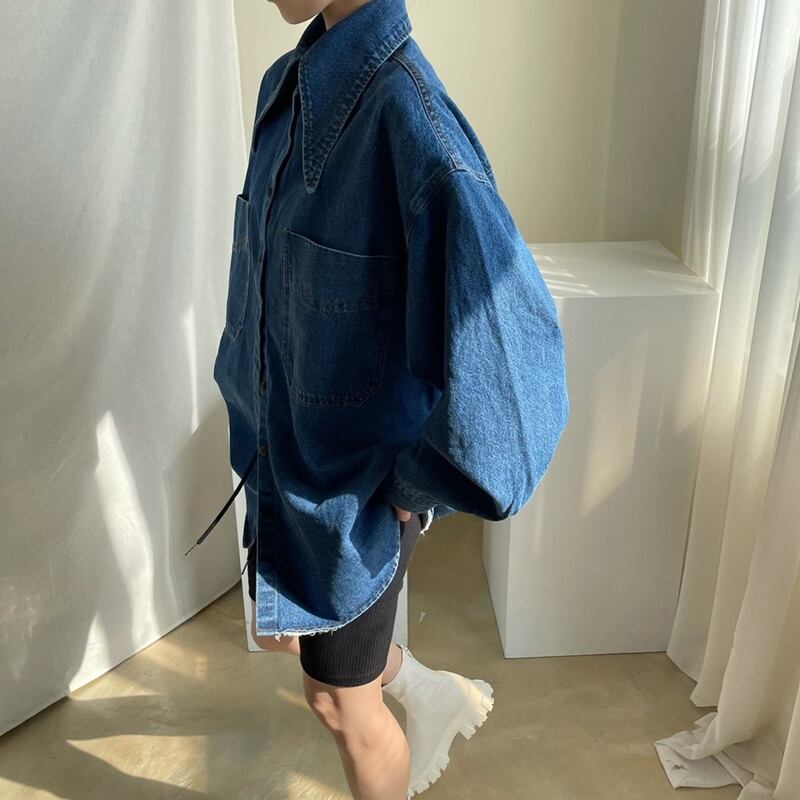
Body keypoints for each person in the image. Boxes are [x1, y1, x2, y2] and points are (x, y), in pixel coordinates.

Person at [197, 0, 570, 796]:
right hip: (280, 469)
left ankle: (414, 701)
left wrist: (413, 488)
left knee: (340, 704)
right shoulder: (285, 90)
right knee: (291, 639)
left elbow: (515, 408)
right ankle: (426, 688)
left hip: (352, 506)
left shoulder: (415, 130)